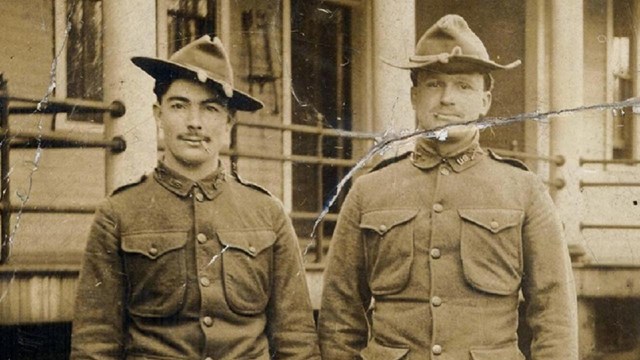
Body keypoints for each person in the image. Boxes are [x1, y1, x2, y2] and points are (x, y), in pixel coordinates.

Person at [317, 14, 578, 360]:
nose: (447, 99)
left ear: (485, 101)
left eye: (463, 86)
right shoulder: (369, 191)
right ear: (413, 97)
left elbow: (554, 316)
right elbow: (339, 316)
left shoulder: (524, 191)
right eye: (434, 85)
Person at [71, 35, 320, 360]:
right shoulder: (118, 213)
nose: (194, 122)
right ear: (158, 114)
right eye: (179, 105)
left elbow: (296, 338)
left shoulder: (267, 214)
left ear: (229, 121)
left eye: (210, 108)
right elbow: (95, 342)